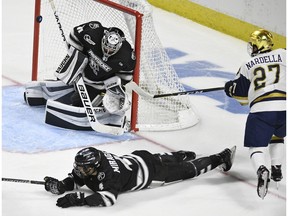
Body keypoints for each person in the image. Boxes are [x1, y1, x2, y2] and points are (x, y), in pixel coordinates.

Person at [24, 21, 136, 131]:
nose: (108, 49)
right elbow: (74, 35)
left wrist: (109, 86)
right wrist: (77, 57)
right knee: (64, 76)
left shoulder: (126, 55)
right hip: (81, 71)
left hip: (98, 85)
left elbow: (125, 77)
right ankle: (51, 90)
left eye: (112, 48)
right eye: (106, 45)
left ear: (120, 44)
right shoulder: (94, 31)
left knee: (78, 103)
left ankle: (96, 102)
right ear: (104, 37)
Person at [44, 146, 236, 208]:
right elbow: (77, 179)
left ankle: (221, 157)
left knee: (188, 171)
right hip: (138, 157)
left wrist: (79, 200)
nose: (80, 170)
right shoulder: (93, 164)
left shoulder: (110, 175)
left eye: (83, 167)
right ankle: (181, 154)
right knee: (164, 158)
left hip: (152, 174)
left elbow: (109, 199)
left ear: (94, 166)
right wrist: (62, 185)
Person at [224, 29, 286, 199]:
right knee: (277, 137)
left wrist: (230, 88)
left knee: (256, 147)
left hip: (261, 110)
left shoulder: (248, 65)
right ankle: (276, 168)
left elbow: (241, 97)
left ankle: (261, 169)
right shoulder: (284, 55)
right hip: (283, 109)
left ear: (257, 45)